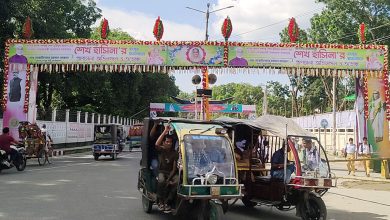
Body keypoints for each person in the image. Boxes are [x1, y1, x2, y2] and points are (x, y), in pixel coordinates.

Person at [155, 125, 178, 213]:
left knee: (176, 182)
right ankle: (160, 201)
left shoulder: (175, 153)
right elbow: (156, 144)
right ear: (164, 143)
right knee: (161, 181)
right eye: (167, 142)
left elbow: (174, 169)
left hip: (171, 173)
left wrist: (169, 179)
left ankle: (168, 202)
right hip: (162, 172)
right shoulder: (161, 149)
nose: (169, 143)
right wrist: (165, 131)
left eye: (170, 142)